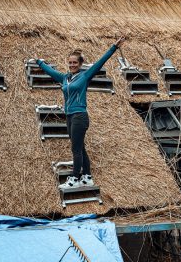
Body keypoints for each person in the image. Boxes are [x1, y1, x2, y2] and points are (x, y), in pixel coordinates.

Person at [36, 37, 125, 189]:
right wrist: (39, 62)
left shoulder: (84, 76)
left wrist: (113, 47)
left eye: (75, 62)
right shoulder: (65, 78)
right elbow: (51, 72)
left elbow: (100, 62)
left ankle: (75, 179)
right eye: (70, 63)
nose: (72, 65)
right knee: (80, 147)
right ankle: (88, 177)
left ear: (80, 64)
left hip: (80, 116)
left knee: (75, 149)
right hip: (69, 117)